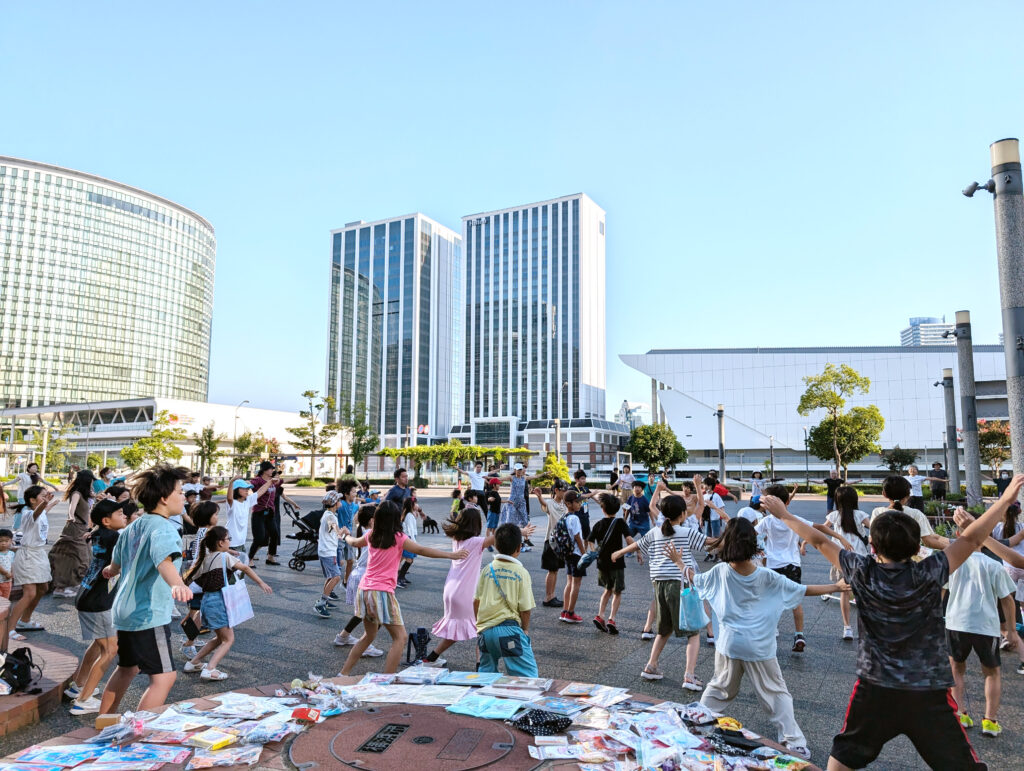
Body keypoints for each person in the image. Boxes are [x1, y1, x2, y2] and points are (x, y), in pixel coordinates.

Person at [762, 476, 1024, 771]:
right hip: (927, 691)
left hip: (875, 688)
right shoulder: (930, 571)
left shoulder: (861, 571)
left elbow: (820, 539)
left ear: (872, 545)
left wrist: (783, 514)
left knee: (842, 760)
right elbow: (973, 540)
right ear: (916, 548)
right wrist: (1003, 500)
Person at [679, 519, 842, 761]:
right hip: (759, 647)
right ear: (753, 545)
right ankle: (793, 742)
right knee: (776, 694)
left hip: (729, 645)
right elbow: (802, 589)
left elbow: (695, 578)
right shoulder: (767, 577)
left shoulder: (719, 572)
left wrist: (679, 562)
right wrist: (836, 587)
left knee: (719, 688)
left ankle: (697, 724)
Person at [99, 464, 195, 713]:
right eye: (180, 491)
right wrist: (177, 583)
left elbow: (115, 564)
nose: (184, 496)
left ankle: (105, 723)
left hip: (124, 611)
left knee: (127, 668)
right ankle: (137, 732)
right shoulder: (163, 527)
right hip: (147, 612)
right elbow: (163, 560)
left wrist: (110, 570)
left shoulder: (133, 527)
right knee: (164, 678)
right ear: (164, 498)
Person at [339, 501, 468, 674]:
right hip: (382, 593)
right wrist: (451, 555)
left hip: (365, 591)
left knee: (368, 636)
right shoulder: (399, 537)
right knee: (400, 637)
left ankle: (343, 673)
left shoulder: (371, 535)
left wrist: (344, 535)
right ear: (396, 519)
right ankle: (388, 679)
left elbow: (353, 542)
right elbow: (422, 550)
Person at [612, 479, 713, 688]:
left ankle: (651, 665)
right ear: (683, 514)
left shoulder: (656, 531)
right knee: (693, 631)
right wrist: (734, 535)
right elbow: (711, 543)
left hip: (659, 585)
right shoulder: (686, 532)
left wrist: (619, 552)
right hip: (680, 585)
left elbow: (638, 545)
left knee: (664, 629)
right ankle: (689, 676)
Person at [420, 508, 534, 667]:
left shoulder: (456, 539)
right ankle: (480, 665)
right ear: (476, 524)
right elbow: (500, 536)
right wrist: (521, 531)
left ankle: (431, 658)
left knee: (461, 627)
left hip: (451, 589)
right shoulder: (475, 542)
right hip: (465, 592)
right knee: (482, 626)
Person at [944, 519, 1019, 738]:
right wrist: (1012, 630)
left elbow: (941, 590)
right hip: (986, 625)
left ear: (959, 534)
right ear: (985, 539)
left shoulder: (953, 563)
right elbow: (1008, 600)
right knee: (992, 672)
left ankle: (960, 714)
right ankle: (990, 721)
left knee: (956, 669)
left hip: (956, 622)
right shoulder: (993, 565)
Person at [181, 526, 272, 680]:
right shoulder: (224, 557)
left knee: (219, 638)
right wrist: (261, 583)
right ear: (220, 543)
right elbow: (246, 568)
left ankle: (194, 663)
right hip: (218, 602)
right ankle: (210, 669)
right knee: (228, 639)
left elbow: (189, 579)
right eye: (228, 538)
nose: (230, 541)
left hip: (207, 602)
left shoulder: (205, 559)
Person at [66, 498, 129, 715]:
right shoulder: (115, 537)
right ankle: (83, 701)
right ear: (106, 520)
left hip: (87, 595)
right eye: (120, 513)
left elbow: (97, 531)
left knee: (99, 645)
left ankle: (78, 686)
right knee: (111, 650)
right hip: (98, 601)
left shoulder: (101, 533)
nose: (125, 516)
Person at [474, 523, 538, 676]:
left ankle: (482, 698)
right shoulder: (521, 573)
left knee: (485, 675)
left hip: (486, 633)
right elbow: (525, 609)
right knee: (527, 677)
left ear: (495, 545)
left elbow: (476, 601)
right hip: (510, 632)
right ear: (519, 548)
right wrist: (525, 629)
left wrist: (479, 625)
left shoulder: (487, 570)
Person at [754, 484, 809, 653]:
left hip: (773, 565)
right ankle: (799, 634)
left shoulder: (767, 521)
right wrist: (802, 544)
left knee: (771, 600)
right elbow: (809, 531)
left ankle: (769, 634)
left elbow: (752, 534)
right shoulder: (794, 519)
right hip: (793, 564)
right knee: (796, 601)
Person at [814, 486, 870, 640]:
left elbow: (821, 529)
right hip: (861, 558)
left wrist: (806, 542)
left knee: (844, 591)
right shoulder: (860, 515)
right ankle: (868, 628)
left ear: (837, 500)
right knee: (863, 593)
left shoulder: (834, 515)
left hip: (840, 557)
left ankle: (847, 628)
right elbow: (874, 527)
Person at [5, 486, 60, 646]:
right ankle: (9, 629)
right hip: (28, 555)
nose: (45, 497)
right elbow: (37, 514)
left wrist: (51, 504)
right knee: (29, 593)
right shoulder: (28, 513)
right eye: (42, 496)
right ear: (32, 500)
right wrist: (45, 504)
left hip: (39, 554)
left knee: (43, 588)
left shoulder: (40, 510)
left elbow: (43, 512)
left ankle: (25, 620)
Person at [333, 504, 385, 658]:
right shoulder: (373, 534)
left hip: (358, 575)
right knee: (380, 614)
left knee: (363, 613)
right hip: (365, 576)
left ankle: (343, 636)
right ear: (372, 520)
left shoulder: (364, 530)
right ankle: (366, 645)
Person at [871, 476, 948, 557]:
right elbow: (928, 541)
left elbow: (872, 539)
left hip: (883, 562)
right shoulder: (916, 514)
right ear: (908, 495)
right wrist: (951, 548)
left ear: (884, 494)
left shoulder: (877, 512)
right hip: (909, 562)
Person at [590, 494, 634, 635]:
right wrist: (638, 551)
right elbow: (629, 540)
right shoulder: (620, 522)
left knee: (607, 590)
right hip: (617, 562)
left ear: (603, 509)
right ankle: (611, 619)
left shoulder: (598, 524)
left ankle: (600, 615)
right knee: (617, 591)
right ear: (618, 509)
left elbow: (590, 541)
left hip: (602, 563)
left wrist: (594, 551)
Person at [49, 469, 97, 597]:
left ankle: (65, 586)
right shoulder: (77, 493)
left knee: (80, 557)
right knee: (80, 558)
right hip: (75, 528)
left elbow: (89, 510)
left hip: (83, 528)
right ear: (87, 480)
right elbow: (72, 507)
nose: (93, 482)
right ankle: (63, 587)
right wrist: (71, 516)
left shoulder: (87, 494)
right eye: (91, 479)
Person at [248, 462, 297, 566]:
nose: (272, 471)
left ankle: (270, 557)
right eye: (270, 469)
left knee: (274, 534)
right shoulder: (258, 480)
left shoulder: (275, 481)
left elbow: (282, 481)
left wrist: (295, 477)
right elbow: (249, 484)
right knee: (259, 537)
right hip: (259, 512)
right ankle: (249, 559)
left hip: (270, 512)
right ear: (265, 470)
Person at [534, 482, 569, 607]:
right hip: (551, 541)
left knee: (555, 570)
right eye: (563, 490)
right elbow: (544, 503)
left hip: (561, 542)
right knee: (552, 570)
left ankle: (552, 595)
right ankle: (548, 597)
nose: (564, 492)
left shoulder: (565, 505)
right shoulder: (551, 503)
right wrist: (539, 496)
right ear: (556, 490)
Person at [557, 490, 588, 624]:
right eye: (577, 502)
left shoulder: (563, 517)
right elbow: (578, 537)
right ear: (569, 504)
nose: (579, 504)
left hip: (567, 554)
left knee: (569, 582)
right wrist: (584, 554)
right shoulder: (574, 518)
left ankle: (565, 611)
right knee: (576, 584)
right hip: (576, 554)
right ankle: (570, 612)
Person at [314, 492, 344, 618]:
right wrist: (343, 531)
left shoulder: (329, 514)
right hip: (328, 551)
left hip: (326, 550)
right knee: (336, 577)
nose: (340, 501)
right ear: (334, 503)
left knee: (331, 576)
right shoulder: (330, 516)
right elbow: (335, 531)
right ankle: (320, 603)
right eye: (339, 500)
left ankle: (325, 601)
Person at [3, 462, 57, 530]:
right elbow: (13, 481)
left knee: (31, 511)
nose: (35, 469)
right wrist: (4, 484)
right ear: (28, 468)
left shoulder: (36, 476)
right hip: (22, 496)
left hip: (32, 496)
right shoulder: (22, 475)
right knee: (22, 510)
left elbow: (44, 481)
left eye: (36, 468)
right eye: (33, 467)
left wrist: (53, 486)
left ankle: (28, 526)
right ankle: (16, 527)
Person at [225, 476, 271, 552]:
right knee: (236, 563)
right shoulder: (233, 503)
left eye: (247, 489)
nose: (247, 490)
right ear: (236, 490)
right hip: (232, 542)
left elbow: (260, 492)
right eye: (243, 488)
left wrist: (270, 482)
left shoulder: (247, 501)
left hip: (241, 541)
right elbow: (229, 498)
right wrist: (231, 482)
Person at [337, 480, 359, 587]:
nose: (355, 494)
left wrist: (375, 504)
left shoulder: (353, 505)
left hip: (349, 537)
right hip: (339, 537)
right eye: (353, 492)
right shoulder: (341, 505)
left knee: (350, 561)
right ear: (346, 494)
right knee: (339, 562)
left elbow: (361, 507)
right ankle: (331, 587)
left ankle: (346, 581)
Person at [396, 497, 421, 588]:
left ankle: (400, 577)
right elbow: (410, 530)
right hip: (409, 539)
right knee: (409, 559)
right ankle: (399, 578)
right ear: (412, 505)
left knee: (402, 559)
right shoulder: (409, 515)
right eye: (416, 503)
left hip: (408, 538)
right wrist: (414, 543)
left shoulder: (409, 514)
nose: (417, 505)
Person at [570, 469, 596, 541]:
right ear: (576, 479)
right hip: (576, 515)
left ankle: (585, 550)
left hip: (585, 515)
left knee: (587, 535)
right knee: (576, 534)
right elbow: (580, 496)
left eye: (585, 479)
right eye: (582, 479)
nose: (584, 480)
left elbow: (593, 497)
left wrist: (600, 501)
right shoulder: (572, 489)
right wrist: (592, 493)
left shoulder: (585, 488)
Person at [0, 529, 13, 600]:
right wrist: (6, 573)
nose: (3, 543)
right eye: (0, 541)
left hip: (7, 581)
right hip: (3, 578)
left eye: (6, 541)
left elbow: (12, 565)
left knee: (5, 600)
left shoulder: (11, 554)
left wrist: (11, 573)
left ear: (11, 541)